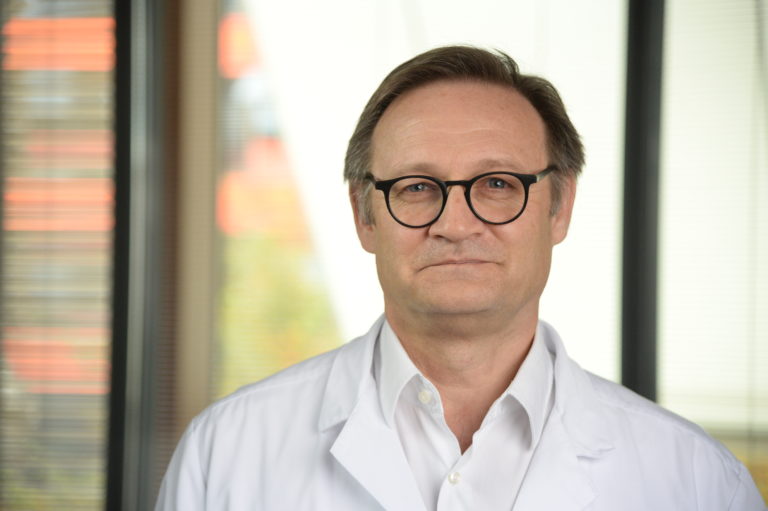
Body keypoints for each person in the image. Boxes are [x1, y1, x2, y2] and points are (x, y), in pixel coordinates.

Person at [156, 46, 766, 510]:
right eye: (417, 187)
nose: (454, 224)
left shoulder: (697, 481)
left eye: (497, 184)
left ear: (559, 208)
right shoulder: (225, 453)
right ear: (364, 216)